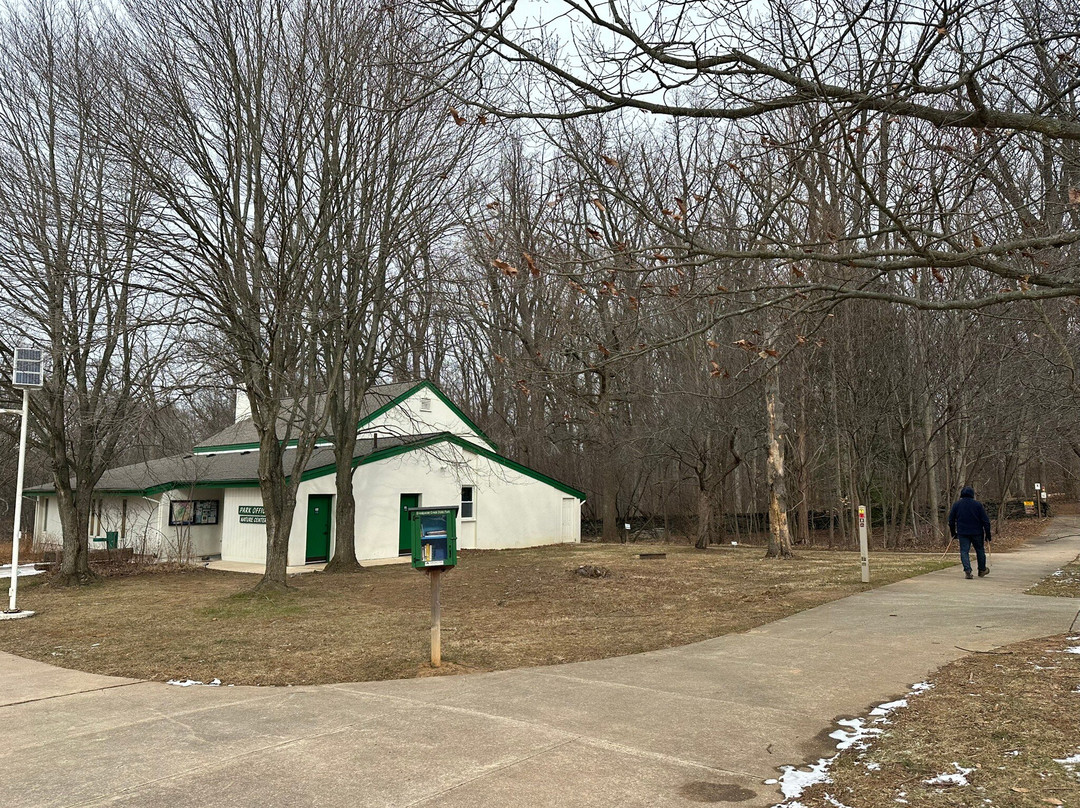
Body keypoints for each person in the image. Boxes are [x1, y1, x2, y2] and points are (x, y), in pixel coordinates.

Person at [948, 486, 992, 579]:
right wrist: (988, 534)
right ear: (972, 494)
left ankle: (967, 570)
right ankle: (982, 570)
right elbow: (985, 521)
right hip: (977, 532)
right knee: (980, 550)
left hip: (963, 532)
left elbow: (951, 520)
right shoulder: (978, 505)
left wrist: (953, 532)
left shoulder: (957, 505)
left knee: (964, 551)